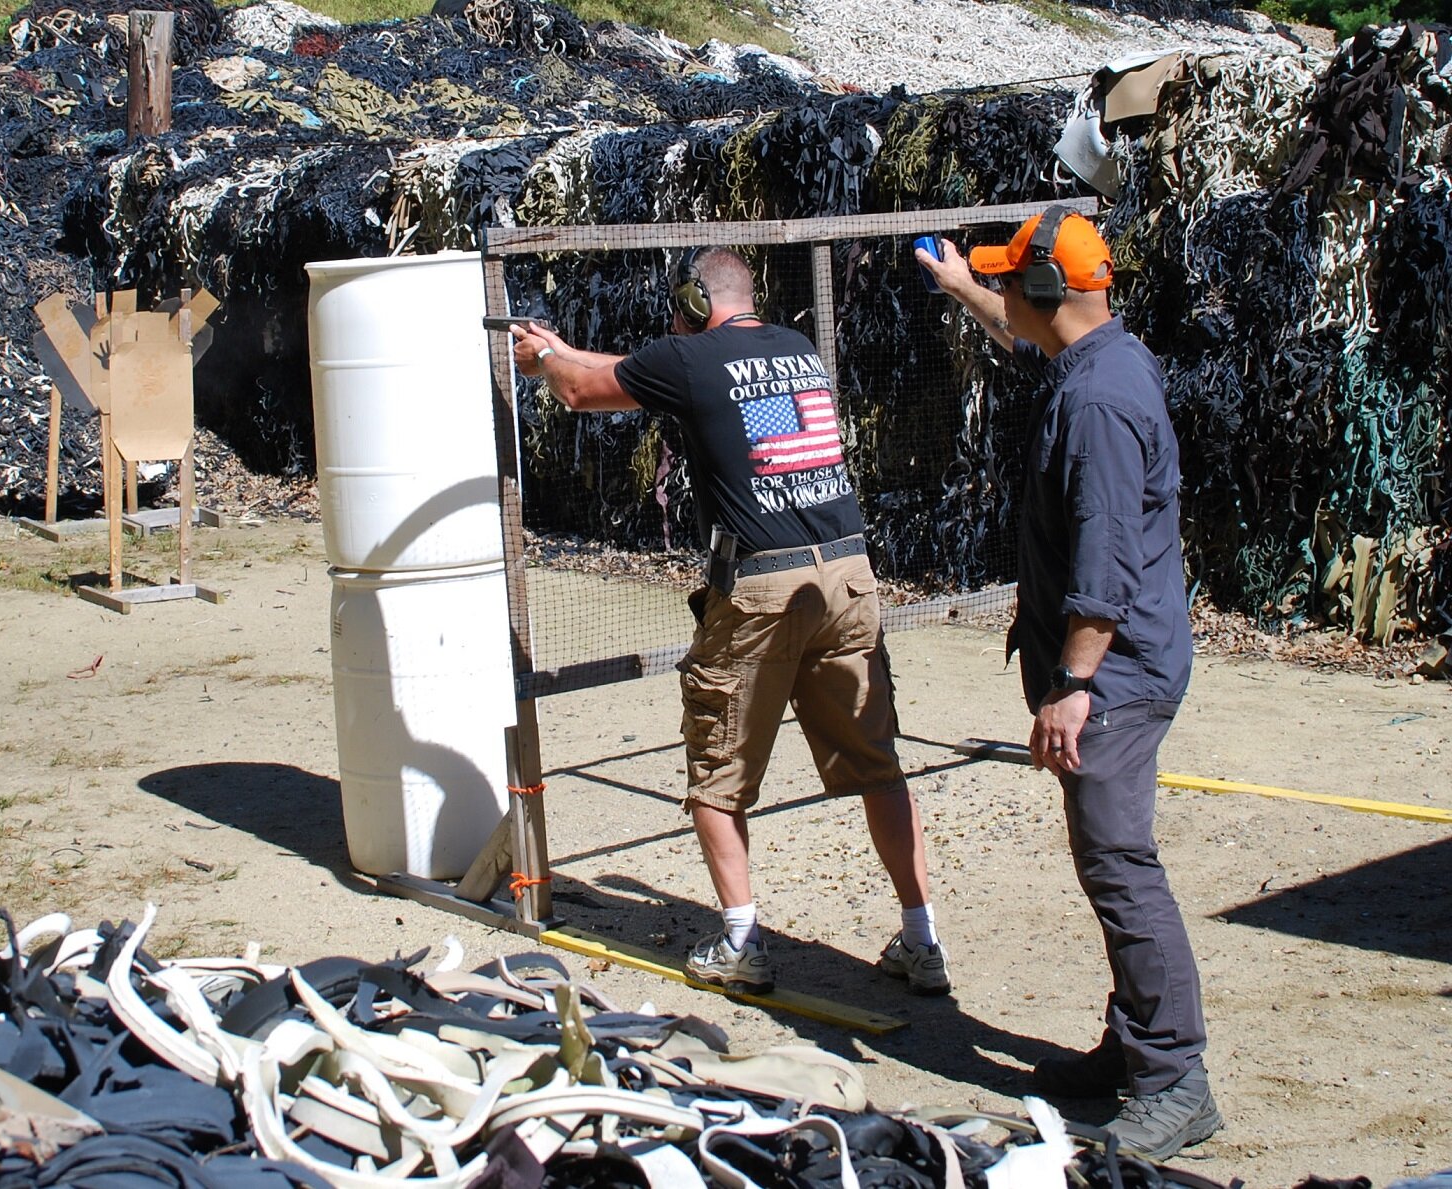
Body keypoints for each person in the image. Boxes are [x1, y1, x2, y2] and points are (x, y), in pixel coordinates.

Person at [508, 247, 950, 999]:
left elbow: (583, 393)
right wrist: (559, 345)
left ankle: (742, 943)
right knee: (878, 762)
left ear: (689, 299)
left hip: (762, 585)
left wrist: (545, 361)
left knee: (716, 772)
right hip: (846, 573)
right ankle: (922, 938)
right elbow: (649, 369)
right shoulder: (794, 349)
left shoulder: (688, 358)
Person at [915, 209, 1218, 1160]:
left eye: (1011, 280)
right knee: (1109, 858)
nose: (1008, 292)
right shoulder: (1104, 361)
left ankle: (1175, 1077)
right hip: (1121, 663)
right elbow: (1031, 341)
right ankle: (1135, 1046)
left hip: (1114, 673)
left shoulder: (1097, 404)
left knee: (1121, 866)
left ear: (1049, 290)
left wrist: (1071, 684)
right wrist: (967, 291)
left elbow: (1105, 560)